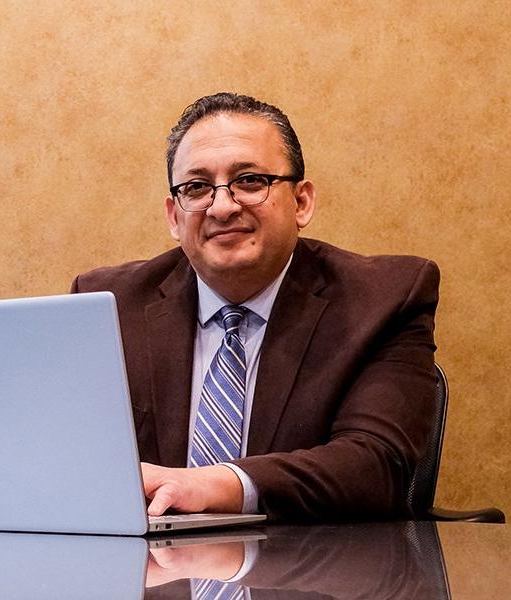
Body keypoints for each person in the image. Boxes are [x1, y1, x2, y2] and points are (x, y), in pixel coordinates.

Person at [72, 92, 438, 521]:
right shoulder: (108, 306)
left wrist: (213, 485)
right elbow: (70, 454)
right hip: (149, 576)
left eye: (249, 181)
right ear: (174, 216)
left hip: (312, 575)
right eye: (197, 187)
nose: (223, 207)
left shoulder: (383, 299)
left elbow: (378, 467)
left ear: (301, 202)